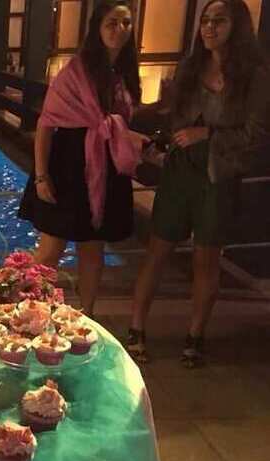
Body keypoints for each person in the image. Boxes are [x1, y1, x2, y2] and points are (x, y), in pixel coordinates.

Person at [127, 0, 269, 367]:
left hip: (218, 176)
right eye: (205, 20)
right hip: (179, 172)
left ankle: (195, 336)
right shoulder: (190, 67)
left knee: (207, 259)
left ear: (237, 26)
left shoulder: (254, 77)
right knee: (157, 251)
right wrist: (137, 124)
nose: (209, 27)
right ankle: (136, 328)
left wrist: (207, 134)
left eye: (219, 21)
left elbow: (257, 134)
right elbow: (171, 113)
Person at [18, 0, 147, 316]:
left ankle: (87, 315)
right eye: (112, 23)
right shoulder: (75, 72)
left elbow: (123, 120)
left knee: (93, 248)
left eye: (126, 23)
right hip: (68, 163)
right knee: (50, 249)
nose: (119, 29)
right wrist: (42, 175)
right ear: (97, 28)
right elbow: (46, 124)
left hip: (106, 166)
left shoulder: (125, 74)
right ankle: (26, 311)